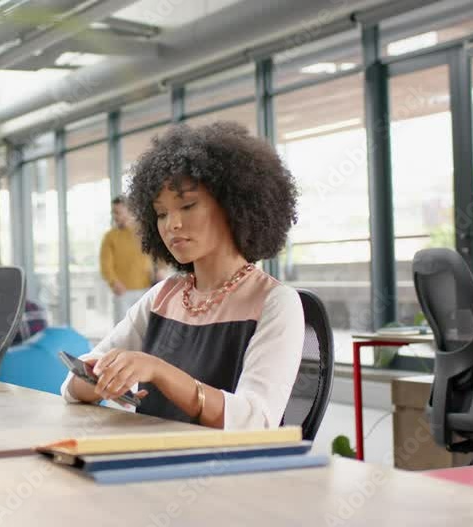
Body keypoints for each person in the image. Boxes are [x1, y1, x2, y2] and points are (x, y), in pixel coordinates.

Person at [62, 122, 304, 430]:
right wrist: (100, 377)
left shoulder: (276, 302)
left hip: (229, 472)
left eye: (187, 206)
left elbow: (254, 421)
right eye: (161, 213)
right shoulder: (163, 296)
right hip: (152, 462)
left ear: (234, 206)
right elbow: (71, 386)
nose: (171, 225)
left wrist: (159, 371)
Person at [100, 195, 154, 323]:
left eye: (118, 212)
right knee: (123, 329)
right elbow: (105, 264)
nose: (115, 216)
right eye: (113, 212)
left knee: (146, 328)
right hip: (122, 291)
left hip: (146, 289)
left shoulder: (143, 232)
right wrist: (113, 282)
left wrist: (160, 270)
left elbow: (157, 255)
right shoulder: (110, 237)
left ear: (129, 211)